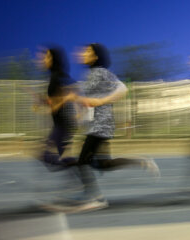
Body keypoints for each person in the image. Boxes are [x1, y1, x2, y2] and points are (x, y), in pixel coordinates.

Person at [54, 43, 160, 212]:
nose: (83, 53)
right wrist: (80, 109)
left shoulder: (102, 72)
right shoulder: (90, 74)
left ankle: (96, 198)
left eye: (87, 51)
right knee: (103, 164)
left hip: (101, 125)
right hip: (94, 124)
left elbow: (123, 88)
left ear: (95, 56)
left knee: (83, 161)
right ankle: (141, 160)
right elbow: (90, 100)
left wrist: (101, 101)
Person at [38, 46, 78, 171]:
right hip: (60, 123)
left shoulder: (58, 77)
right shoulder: (53, 77)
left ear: (54, 59)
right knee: (65, 158)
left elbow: (71, 93)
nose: (43, 59)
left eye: (47, 56)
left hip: (64, 124)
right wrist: (44, 101)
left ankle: (81, 165)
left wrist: (54, 105)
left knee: (45, 155)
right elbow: (56, 100)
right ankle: (84, 180)